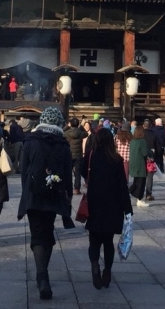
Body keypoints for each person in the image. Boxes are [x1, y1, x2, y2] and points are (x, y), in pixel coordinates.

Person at [17, 106, 73, 301]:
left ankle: (42, 276)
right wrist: (68, 198)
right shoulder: (63, 144)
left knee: (37, 234)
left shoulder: (30, 142)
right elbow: (67, 174)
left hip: (34, 193)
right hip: (54, 192)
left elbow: (23, 171)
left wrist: (26, 193)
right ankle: (43, 275)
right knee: (47, 232)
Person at [82, 127, 132, 289]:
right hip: (113, 205)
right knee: (108, 241)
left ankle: (95, 264)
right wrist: (127, 209)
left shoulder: (90, 156)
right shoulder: (116, 159)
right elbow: (122, 186)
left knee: (94, 240)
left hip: (94, 203)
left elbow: (81, 170)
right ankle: (107, 271)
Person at [129, 120, 152, 208]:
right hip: (140, 165)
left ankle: (130, 193)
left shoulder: (132, 141)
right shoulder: (142, 141)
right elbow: (145, 153)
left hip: (133, 164)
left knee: (136, 182)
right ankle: (139, 198)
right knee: (141, 183)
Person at [143, 118, 165, 201]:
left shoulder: (139, 134)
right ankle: (148, 194)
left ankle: (139, 193)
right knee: (149, 177)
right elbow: (158, 146)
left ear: (143, 126)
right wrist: (156, 156)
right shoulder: (153, 134)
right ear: (150, 126)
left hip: (141, 157)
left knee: (141, 177)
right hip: (151, 158)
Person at [65, 118, 86, 195]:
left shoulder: (67, 133)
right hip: (78, 155)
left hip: (69, 154)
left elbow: (62, 132)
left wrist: (67, 126)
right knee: (77, 173)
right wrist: (81, 126)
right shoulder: (80, 133)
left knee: (68, 172)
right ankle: (77, 188)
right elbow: (86, 133)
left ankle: (68, 188)